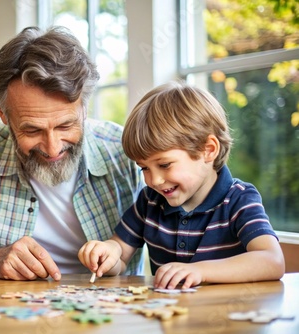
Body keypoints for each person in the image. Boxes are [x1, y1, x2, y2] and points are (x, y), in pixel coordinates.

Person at [0, 26, 145, 281]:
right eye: (32, 130)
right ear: (3, 115)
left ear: (84, 106)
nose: (53, 147)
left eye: (65, 125)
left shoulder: (126, 153)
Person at [78, 81, 285, 289]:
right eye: (144, 168)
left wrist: (200, 271)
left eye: (164, 165)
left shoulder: (240, 199)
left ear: (208, 150)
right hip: (168, 317)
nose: (154, 180)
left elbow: (272, 260)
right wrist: (109, 252)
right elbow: (121, 256)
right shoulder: (150, 200)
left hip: (228, 315)